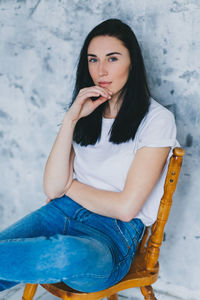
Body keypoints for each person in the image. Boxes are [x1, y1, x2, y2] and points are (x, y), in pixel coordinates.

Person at [0, 18, 179, 293]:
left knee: (62, 253)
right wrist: (71, 118)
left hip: (112, 235)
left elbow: (125, 208)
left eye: (112, 58)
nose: (101, 70)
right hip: (61, 212)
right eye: (93, 60)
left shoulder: (157, 120)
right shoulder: (86, 110)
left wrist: (69, 187)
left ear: (133, 62)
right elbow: (51, 187)